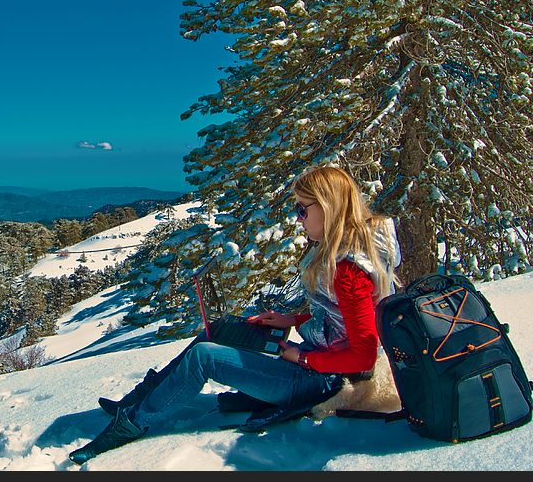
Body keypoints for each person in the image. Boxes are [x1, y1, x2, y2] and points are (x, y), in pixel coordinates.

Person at [68, 165, 402, 466]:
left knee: (204, 357)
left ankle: (130, 425)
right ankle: (137, 401)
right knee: (217, 332)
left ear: (328, 208)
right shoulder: (346, 252)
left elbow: (363, 354)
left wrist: (300, 357)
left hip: (325, 381)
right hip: (320, 364)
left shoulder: (348, 270)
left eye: (303, 209)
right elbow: (343, 323)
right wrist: (291, 321)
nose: (299, 218)